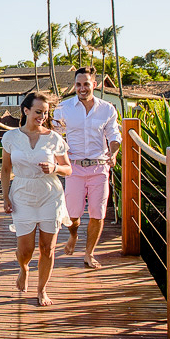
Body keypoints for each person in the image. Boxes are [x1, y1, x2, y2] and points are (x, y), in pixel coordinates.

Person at [1, 91, 72, 306]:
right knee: (25, 249)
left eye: (45, 113)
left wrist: (55, 167)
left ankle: (42, 290)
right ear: (26, 110)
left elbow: (68, 169)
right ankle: (24, 268)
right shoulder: (10, 137)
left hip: (50, 194)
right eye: (38, 112)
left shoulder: (54, 138)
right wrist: (5, 197)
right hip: (22, 193)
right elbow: (5, 169)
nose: (42, 116)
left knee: (47, 248)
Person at [55, 66, 121, 269]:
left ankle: (89, 253)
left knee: (97, 213)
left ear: (95, 84)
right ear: (74, 86)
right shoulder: (63, 108)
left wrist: (114, 153)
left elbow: (114, 135)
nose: (82, 88)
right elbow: (54, 134)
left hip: (99, 168)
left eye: (86, 84)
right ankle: (73, 236)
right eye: (78, 85)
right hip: (74, 168)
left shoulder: (107, 109)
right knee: (72, 215)